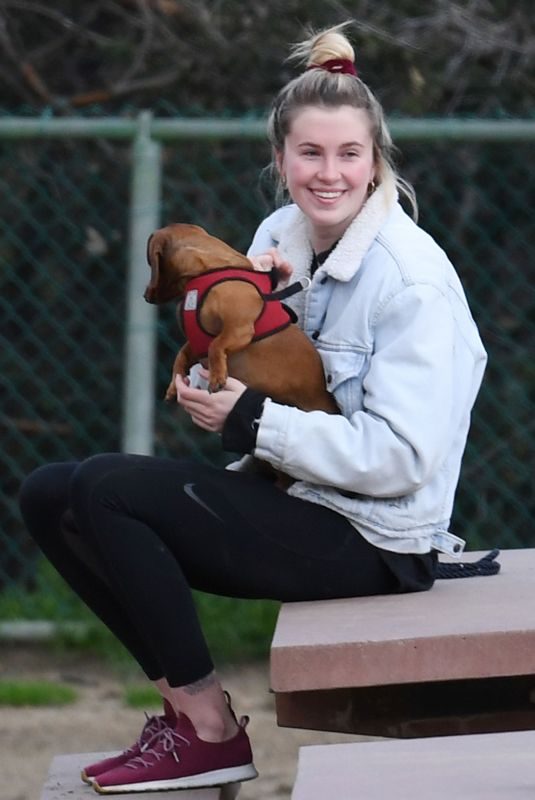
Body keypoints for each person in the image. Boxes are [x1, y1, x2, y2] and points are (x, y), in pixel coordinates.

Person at [18, 23, 486, 795]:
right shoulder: (278, 236)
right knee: (49, 492)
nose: (328, 174)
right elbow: (271, 350)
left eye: (348, 155)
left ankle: (208, 734)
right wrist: (221, 369)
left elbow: (404, 458)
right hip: (294, 494)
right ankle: (185, 714)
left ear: (376, 162)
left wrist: (248, 421)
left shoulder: (412, 283)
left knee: (105, 486)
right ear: (279, 159)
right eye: (309, 154)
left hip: (378, 538)